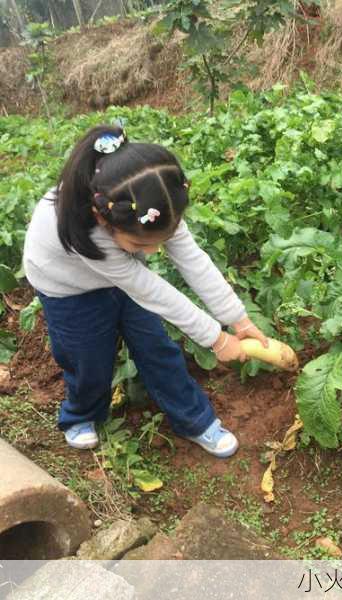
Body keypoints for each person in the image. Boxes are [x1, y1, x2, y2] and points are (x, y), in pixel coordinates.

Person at [23, 124, 268, 458]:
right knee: (88, 359)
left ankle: (195, 421)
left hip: (120, 276)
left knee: (157, 348)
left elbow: (194, 260)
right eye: (141, 244)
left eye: (159, 243)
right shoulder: (86, 226)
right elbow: (149, 288)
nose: (152, 252)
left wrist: (237, 319)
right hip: (67, 288)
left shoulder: (155, 203)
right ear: (103, 218)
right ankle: (81, 415)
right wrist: (217, 339)